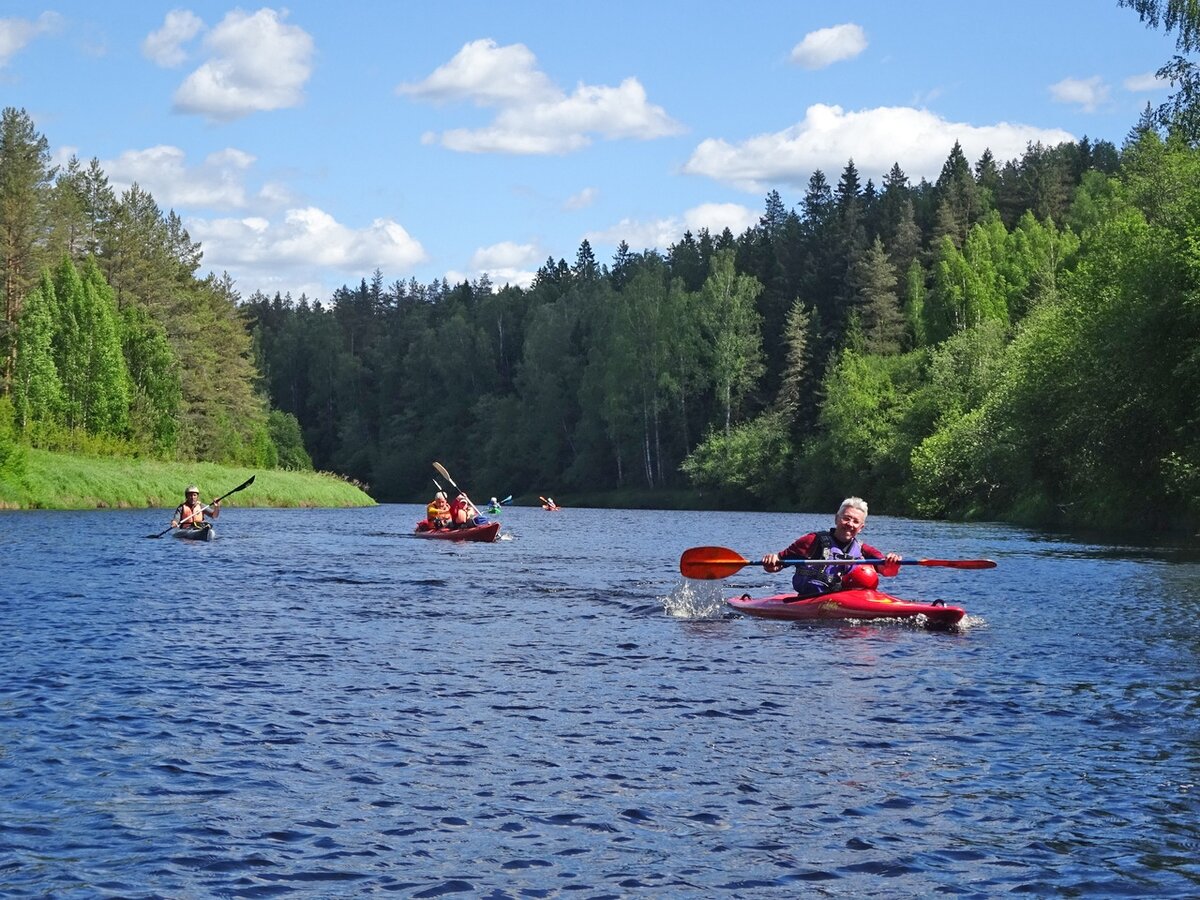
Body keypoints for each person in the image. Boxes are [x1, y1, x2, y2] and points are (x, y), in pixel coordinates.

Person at [761, 497, 901, 597]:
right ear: (836, 519)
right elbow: (776, 565)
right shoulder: (811, 541)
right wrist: (771, 561)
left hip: (847, 599)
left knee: (867, 574)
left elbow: (888, 572)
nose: (850, 524)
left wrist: (892, 563)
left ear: (861, 527)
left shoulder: (864, 550)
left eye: (855, 521)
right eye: (846, 518)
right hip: (809, 599)